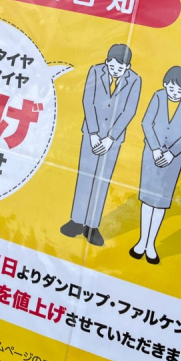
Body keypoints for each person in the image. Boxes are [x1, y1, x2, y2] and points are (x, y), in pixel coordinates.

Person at [61, 44, 141, 246]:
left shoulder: (135, 80)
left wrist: (110, 138)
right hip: (91, 133)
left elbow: (129, 111)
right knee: (85, 176)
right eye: (112, 67)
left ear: (128, 67)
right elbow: (88, 101)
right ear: (106, 62)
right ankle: (76, 221)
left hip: (113, 139)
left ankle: (92, 225)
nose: (115, 71)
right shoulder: (96, 71)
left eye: (120, 68)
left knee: (102, 180)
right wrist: (94, 133)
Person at [130, 66, 181, 264]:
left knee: (161, 202)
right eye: (171, 88)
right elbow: (146, 123)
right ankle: (141, 241)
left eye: (179, 90)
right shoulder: (158, 96)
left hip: (173, 160)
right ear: (165, 84)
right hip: (151, 155)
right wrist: (156, 149)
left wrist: (170, 153)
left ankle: (151, 244)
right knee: (147, 199)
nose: (174, 93)